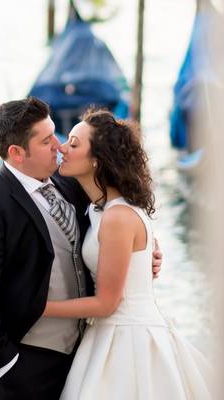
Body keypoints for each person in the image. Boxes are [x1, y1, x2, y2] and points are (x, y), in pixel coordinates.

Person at [0, 98, 162, 400]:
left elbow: (116, 222)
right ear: (16, 153)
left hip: (84, 356)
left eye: (56, 134)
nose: (59, 145)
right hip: (24, 364)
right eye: (46, 140)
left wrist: (147, 252)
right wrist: (5, 365)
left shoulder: (72, 184)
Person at [44, 108, 211, 399]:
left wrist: (40, 308)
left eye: (73, 143)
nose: (62, 148)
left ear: (96, 160)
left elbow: (108, 303)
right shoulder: (100, 207)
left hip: (127, 338)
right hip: (107, 333)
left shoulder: (116, 215)